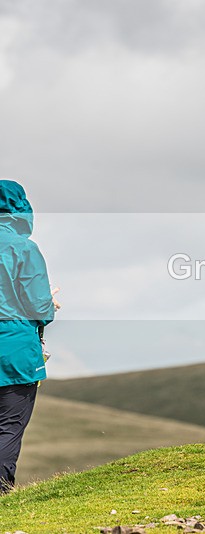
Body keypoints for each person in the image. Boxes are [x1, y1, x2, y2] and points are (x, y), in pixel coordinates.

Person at [0, 180, 57, 492]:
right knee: (8, 426)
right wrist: (51, 303)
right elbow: (39, 307)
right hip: (14, 351)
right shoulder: (23, 248)